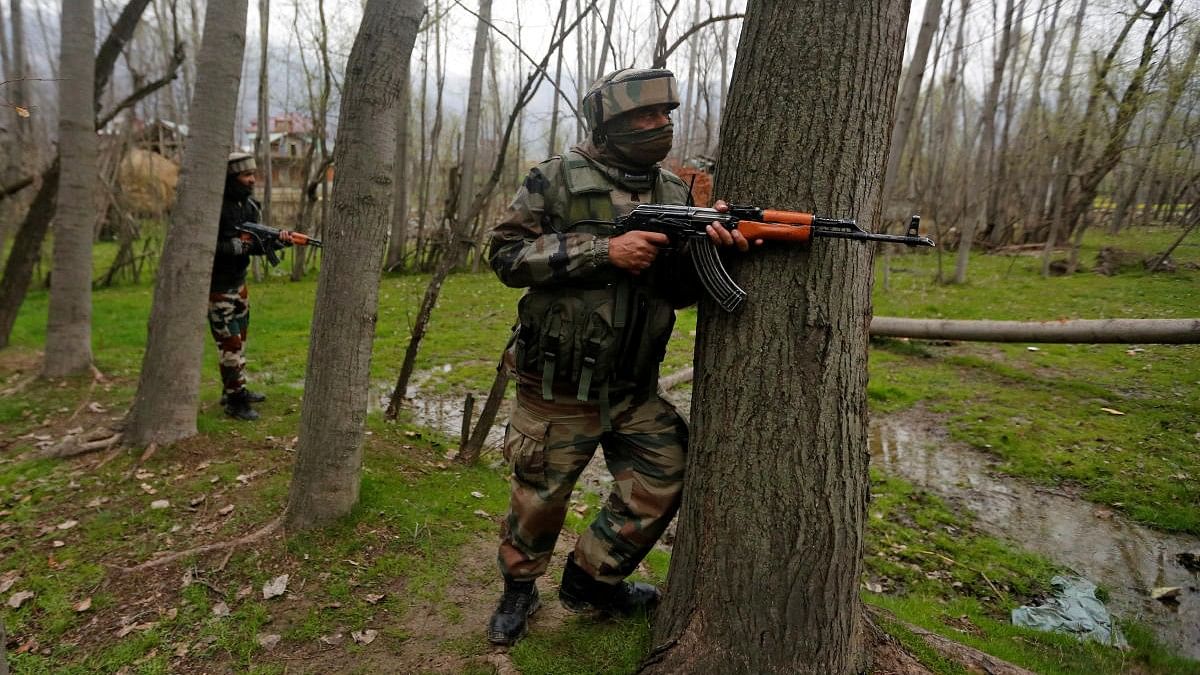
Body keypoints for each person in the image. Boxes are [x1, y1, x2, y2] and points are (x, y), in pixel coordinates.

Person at [485, 68, 750, 646]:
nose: (660, 126)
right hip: (556, 385)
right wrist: (604, 251)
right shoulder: (553, 179)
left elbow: (677, 289)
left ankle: (590, 580)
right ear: (608, 124)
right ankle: (518, 592)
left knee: (667, 471)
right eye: (643, 117)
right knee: (539, 498)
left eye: (665, 116)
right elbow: (504, 256)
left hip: (633, 386)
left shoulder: (676, 192)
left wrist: (716, 248)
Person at [209, 152, 283, 421]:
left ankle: (235, 388)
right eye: (245, 175)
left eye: (253, 174)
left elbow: (254, 246)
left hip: (239, 285)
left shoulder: (249, 206)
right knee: (230, 344)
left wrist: (276, 242)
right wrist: (235, 246)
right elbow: (204, 244)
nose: (252, 179)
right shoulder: (214, 208)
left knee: (240, 343)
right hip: (217, 288)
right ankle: (235, 403)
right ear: (231, 177)